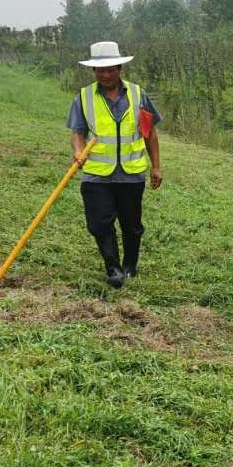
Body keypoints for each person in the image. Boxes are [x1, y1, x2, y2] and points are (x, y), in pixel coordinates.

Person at [67, 41, 163, 288]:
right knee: (99, 223)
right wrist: (78, 151)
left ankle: (130, 266)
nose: (106, 75)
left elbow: (150, 133)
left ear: (120, 69)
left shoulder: (138, 95)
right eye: (101, 70)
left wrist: (156, 166)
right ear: (94, 71)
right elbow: (78, 132)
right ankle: (113, 269)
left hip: (131, 174)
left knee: (131, 225)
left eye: (111, 70)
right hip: (97, 174)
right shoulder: (84, 97)